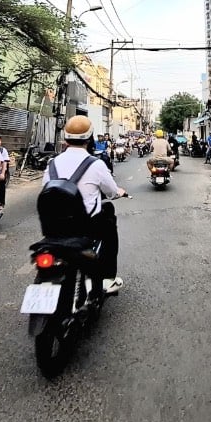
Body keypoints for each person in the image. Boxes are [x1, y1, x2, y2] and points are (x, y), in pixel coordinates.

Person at [46, 116, 126, 292]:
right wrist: (119, 192)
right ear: (89, 139)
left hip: (54, 227)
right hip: (86, 227)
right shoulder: (96, 164)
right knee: (109, 214)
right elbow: (111, 192)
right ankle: (108, 277)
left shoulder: (52, 164)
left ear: (66, 139)